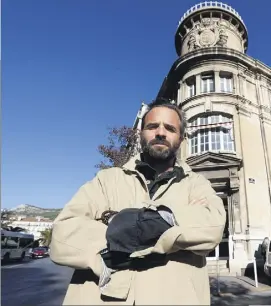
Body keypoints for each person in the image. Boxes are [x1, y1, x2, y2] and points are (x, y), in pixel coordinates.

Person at [50, 98, 226, 305]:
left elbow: (212, 227)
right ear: (141, 133)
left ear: (181, 138)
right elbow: (63, 235)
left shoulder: (196, 183)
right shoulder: (107, 179)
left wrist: (120, 224)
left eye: (170, 128)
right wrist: (174, 226)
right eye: (152, 126)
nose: (160, 132)